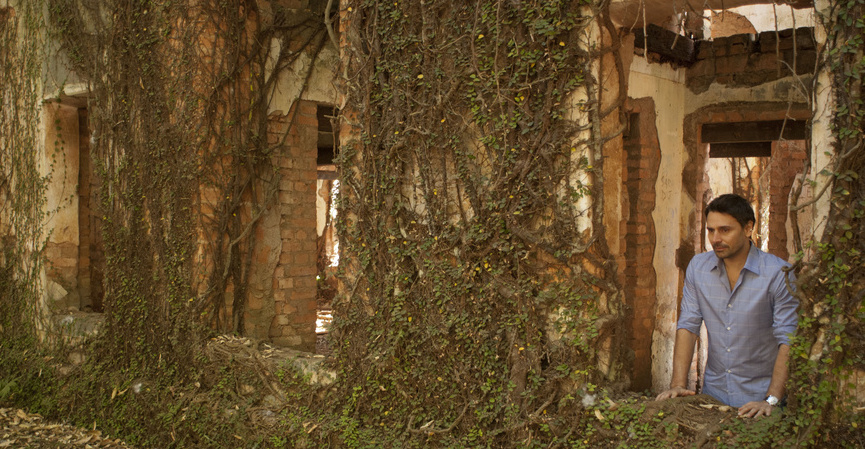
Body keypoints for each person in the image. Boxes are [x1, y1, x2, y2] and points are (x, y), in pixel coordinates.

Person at [655, 194, 798, 418]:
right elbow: (688, 325)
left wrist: (770, 400)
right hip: (714, 396)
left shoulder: (778, 274)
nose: (715, 238)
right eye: (710, 231)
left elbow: (788, 339)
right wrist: (677, 384)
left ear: (748, 228)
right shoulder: (698, 268)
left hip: (760, 401)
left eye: (724, 230)